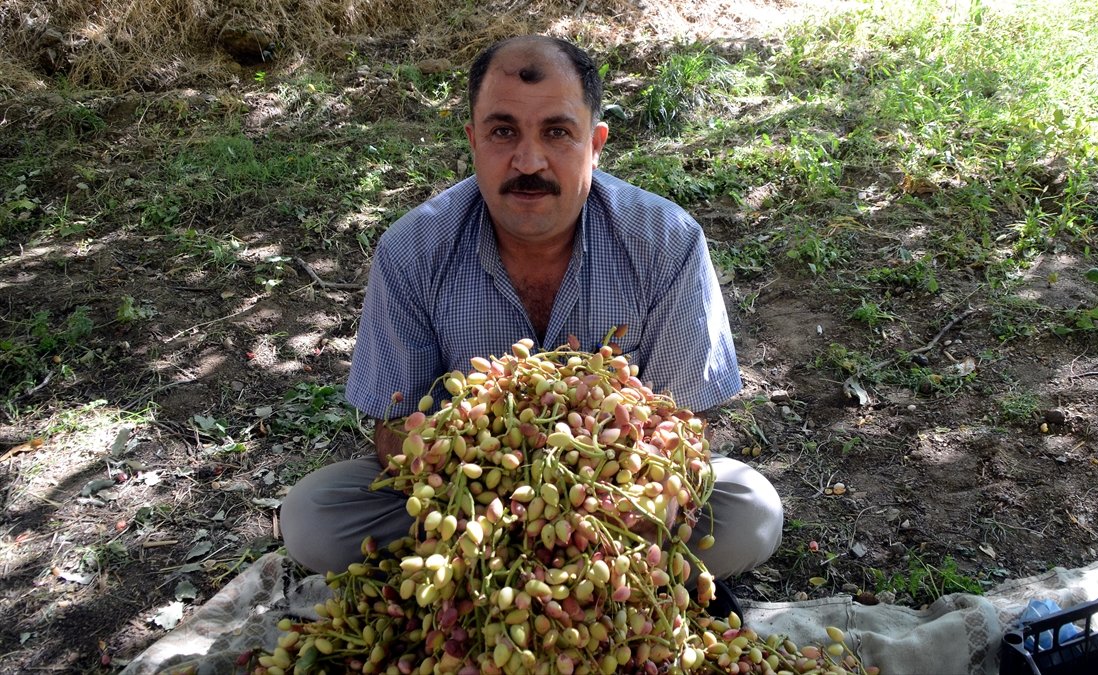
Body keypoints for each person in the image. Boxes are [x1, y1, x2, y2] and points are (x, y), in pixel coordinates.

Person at [280, 35, 783, 584]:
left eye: (557, 132)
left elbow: (684, 424)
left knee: (751, 513)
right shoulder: (413, 249)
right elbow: (395, 424)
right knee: (311, 518)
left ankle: (491, 578)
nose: (528, 161)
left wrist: (604, 504)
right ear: (474, 141)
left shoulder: (665, 241)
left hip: (617, 504)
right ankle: (562, 577)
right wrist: (496, 498)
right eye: (503, 132)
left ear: (595, 144)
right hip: (467, 503)